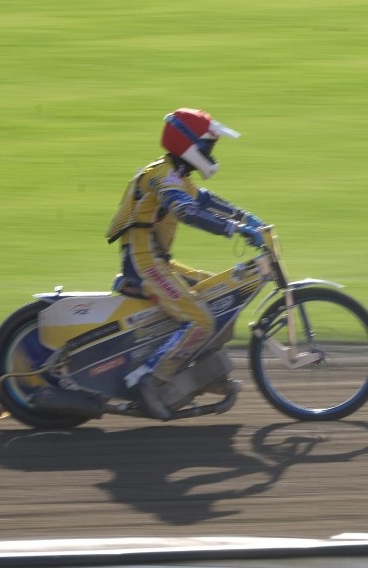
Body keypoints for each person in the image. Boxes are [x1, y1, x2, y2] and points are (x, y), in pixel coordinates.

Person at [105, 108, 265, 419]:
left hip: (155, 260)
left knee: (213, 292)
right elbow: (187, 212)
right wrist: (236, 229)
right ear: (188, 145)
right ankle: (148, 381)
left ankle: (202, 376)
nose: (211, 152)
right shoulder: (161, 177)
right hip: (143, 262)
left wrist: (249, 219)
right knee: (201, 320)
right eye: (208, 146)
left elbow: (204, 200)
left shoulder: (176, 176)